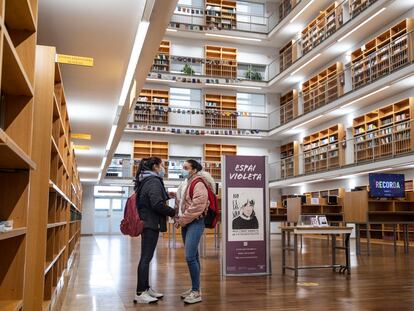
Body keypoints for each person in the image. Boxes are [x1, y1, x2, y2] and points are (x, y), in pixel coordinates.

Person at [134, 157, 176, 304]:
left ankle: (146, 288)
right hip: (150, 224)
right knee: (146, 258)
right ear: (155, 167)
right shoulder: (154, 181)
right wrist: (174, 212)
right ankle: (140, 292)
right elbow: (157, 204)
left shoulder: (146, 179)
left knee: (147, 257)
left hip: (148, 222)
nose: (163, 168)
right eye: (162, 165)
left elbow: (150, 198)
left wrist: (166, 195)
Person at [175, 159, 215, 304]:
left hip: (195, 222)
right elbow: (184, 203)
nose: (183, 169)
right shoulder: (189, 182)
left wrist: (183, 219)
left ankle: (196, 292)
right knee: (194, 256)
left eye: (186, 167)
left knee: (190, 257)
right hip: (187, 222)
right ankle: (194, 288)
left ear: (193, 170)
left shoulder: (198, 182)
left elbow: (198, 205)